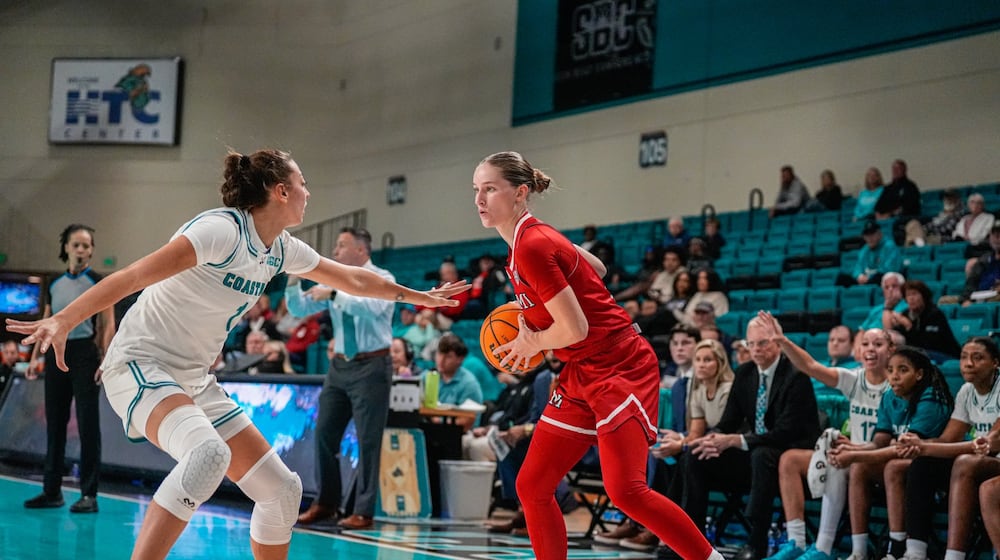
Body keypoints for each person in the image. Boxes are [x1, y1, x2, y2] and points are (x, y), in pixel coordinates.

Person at [6, 149, 468, 560]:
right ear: (281, 190)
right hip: (141, 364)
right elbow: (131, 276)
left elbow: (353, 278)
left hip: (193, 380)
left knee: (282, 492)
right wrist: (64, 318)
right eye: (303, 182)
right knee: (206, 455)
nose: (309, 191)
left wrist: (418, 297)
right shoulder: (219, 231)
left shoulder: (280, 248)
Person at [472, 151, 722, 560]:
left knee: (626, 492)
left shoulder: (533, 244)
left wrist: (530, 342)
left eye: (490, 189)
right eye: (476, 190)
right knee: (532, 485)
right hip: (582, 368)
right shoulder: (529, 241)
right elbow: (599, 269)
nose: (480, 199)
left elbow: (576, 329)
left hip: (619, 363)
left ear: (520, 193)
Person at [284, 226, 398, 530]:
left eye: (341, 245)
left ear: (361, 250)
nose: (334, 252)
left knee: (368, 440)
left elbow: (372, 307)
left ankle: (363, 510)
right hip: (339, 368)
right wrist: (294, 279)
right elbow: (298, 307)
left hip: (372, 366)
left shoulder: (383, 278)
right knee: (324, 434)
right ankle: (326, 502)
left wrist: (335, 292)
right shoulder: (334, 279)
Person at [682, 316, 821, 560]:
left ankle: (756, 543)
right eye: (752, 343)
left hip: (791, 455)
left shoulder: (796, 376)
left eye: (763, 343)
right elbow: (729, 422)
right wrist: (713, 439)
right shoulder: (745, 373)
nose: (756, 349)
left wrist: (736, 441)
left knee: (761, 455)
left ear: (777, 343)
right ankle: (693, 539)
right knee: (696, 455)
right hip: (756, 455)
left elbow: (785, 433)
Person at [757, 316, 892, 560]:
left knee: (839, 462)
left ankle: (824, 547)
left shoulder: (896, 386)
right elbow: (810, 366)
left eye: (878, 344)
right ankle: (796, 541)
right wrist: (783, 341)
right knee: (789, 460)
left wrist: (857, 449)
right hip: (853, 455)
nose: (871, 349)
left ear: (891, 350)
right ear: (859, 350)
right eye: (866, 344)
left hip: (878, 459)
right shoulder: (855, 379)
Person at [21, 224, 115, 514]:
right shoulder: (53, 283)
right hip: (54, 356)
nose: (82, 250)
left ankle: (89, 494)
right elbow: (45, 323)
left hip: (84, 355)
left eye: (87, 246)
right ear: (66, 248)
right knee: (55, 424)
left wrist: (105, 360)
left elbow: (108, 324)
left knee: (88, 425)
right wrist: (36, 358)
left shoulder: (99, 282)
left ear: (91, 251)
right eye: (76, 245)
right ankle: (52, 492)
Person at [830, 346, 952, 560]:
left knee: (892, 467)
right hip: (908, 462)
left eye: (902, 370)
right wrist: (851, 449)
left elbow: (906, 450)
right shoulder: (889, 397)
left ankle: (896, 547)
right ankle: (858, 551)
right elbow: (879, 443)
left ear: (919, 374)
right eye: (890, 370)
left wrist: (853, 455)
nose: (894, 376)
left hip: (934, 467)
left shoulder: (931, 397)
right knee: (859, 467)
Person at [893, 337, 1000, 560]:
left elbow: (992, 442)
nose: (968, 363)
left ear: (995, 363)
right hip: (980, 464)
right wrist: (916, 444)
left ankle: (954, 556)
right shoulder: (966, 391)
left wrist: (924, 446)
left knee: (964, 462)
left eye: (977, 358)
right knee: (922, 464)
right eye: (963, 357)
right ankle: (914, 552)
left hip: (993, 461)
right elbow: (947, 439)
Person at [884, 280, 961, 362]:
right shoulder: (905, 314)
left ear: (924, 296)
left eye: (914, 294)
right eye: (908, 295)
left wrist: (909, 326)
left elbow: (928, 344)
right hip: (919, 355)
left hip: (943, 354)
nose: (911, 298)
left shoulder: (935, 314)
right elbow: (897, 336)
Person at [429, 333, 484, 431]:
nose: (441, 360)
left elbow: (467, 421)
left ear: (460, 359)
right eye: (439, 354)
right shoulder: (428, 376)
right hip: (431, 429)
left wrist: (438, 422)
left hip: (461, 434)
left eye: (448, 356)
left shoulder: (469, 384)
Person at [838, 221, 902, 287]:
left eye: (872, 234)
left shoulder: (889, 247)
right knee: (842, 279)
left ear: (880, 234)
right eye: (867, 235)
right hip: (867, 279)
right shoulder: (864, 249)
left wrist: (870, 277)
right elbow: (858, 267)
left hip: (882, 280)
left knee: (880, 277)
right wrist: (859, 276)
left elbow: (890, 269)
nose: (870, 238)